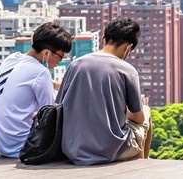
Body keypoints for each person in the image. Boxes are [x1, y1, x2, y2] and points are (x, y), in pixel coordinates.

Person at [58, 17, 152, 165]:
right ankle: (143, 162)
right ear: (128, 47)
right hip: (111, 150)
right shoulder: (127, 70)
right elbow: (138, 118)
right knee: (145, 111)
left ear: (103, 39)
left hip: (72, 148)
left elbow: (59, 105)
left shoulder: (76, 65)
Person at [0, 21, 73, 158]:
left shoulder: (11, 60)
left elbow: (29, 82)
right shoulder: (40, 72)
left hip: (2, 144)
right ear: (47, 53)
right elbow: (50, 116)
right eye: (61, 56)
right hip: (23, 147)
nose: (61, 60)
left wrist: (58, 85)